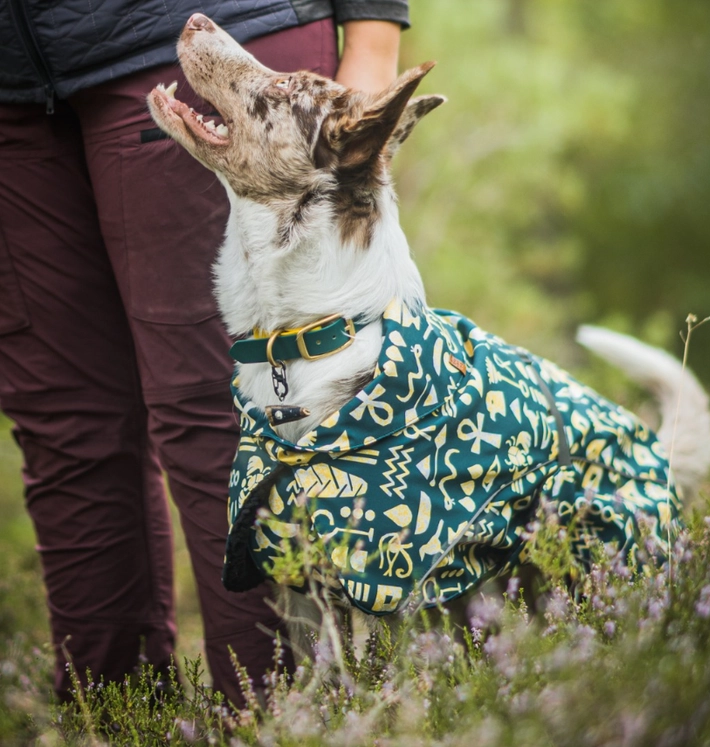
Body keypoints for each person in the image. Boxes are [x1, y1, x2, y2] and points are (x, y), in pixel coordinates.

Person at [0, 0, 409, 706]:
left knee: (226, 417)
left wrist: (373, 35)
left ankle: (276, 720)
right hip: (12, 101)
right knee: (65, 433)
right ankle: (115, 723)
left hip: (203, 30)